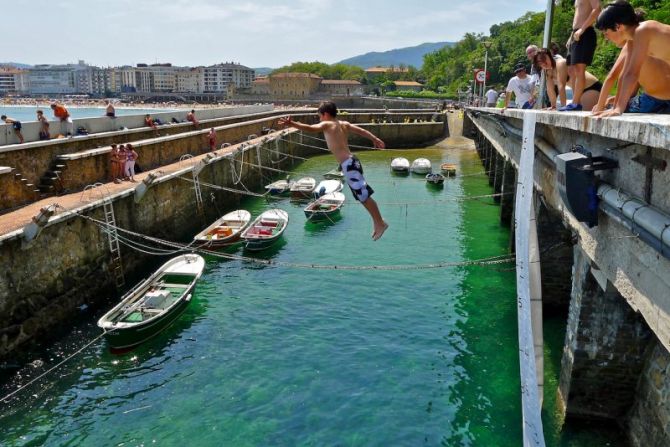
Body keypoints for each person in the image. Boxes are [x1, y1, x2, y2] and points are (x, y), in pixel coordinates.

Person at [278, 101, 388, 240]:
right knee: (362, 196)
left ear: (326, 114)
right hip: (352, 162)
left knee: (364, 196)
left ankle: (380, 223)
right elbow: (361, 131)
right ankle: (378, 222)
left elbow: (310, 128)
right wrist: (375, 138)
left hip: (349, 165)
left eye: (319, 116)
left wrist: (292, 124)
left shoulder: (327, 124)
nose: (319, 119)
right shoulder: (343, 124)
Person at [593, 1, 670, 116]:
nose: (606, 38)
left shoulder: (643, 30)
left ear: (618, 26)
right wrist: (616, 107)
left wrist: (619, 109)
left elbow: (632, 74)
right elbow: (625, 75)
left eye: (606, 33)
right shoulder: (632, 40)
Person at [534, 48, 603, 110]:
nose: (543, 64)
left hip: (591, 87)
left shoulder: (560, 63)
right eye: (539, 62)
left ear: (550, 56)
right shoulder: (547, 71)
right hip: (579, 92)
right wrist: (553, 106)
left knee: (583, 116)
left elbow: (561, 86)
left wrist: (563, 106)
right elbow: (550, 90)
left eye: (544, 59)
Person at [562, 0, 601, 111]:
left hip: (585, 32)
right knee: (570, 70)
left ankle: (575, 103)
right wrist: (571, 36)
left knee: (579, 69)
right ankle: (575, 102)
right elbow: (578, 16)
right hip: (575, 34)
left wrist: (582, 29)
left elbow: (597, 9)